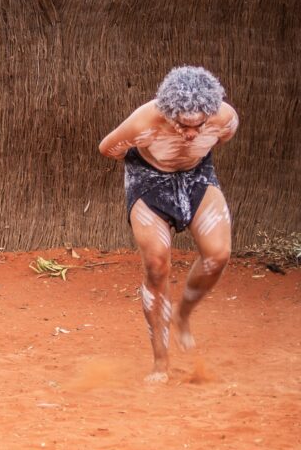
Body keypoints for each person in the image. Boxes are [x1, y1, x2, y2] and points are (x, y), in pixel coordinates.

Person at [99, 66, 239, 382]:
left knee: (218, 255)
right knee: (156, 265)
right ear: (168, 112)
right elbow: (108, 149)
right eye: (182, 125)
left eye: (198, 125)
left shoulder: (224, 118)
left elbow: (223, 138)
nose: (191, 133)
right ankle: (160, 364)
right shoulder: (144, 121)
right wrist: (148, 152)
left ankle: (183, 314)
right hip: (149, 180)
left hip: (196, 176)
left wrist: (189, 155)